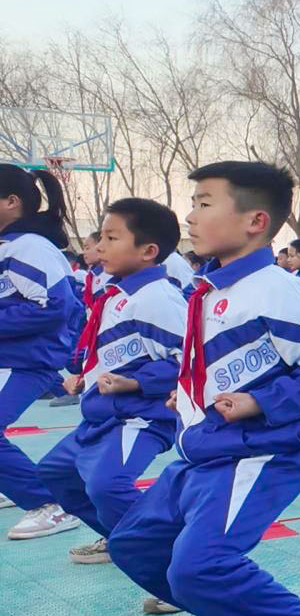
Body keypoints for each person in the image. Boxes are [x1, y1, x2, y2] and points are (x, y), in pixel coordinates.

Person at [107, 160, 300, 616]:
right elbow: (224, 364)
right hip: (202, 452)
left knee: (200, 566)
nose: (190, 216)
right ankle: (221, 608)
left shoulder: (276, 289)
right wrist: (187, 394)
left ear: (255, 221)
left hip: (256, 455)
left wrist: (261, 401)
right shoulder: (209, 290)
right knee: (133, 544)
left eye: (203, 203)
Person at [32, 199, 186, 562]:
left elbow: (191, 362)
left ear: (148, 251)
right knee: (56, 473)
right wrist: (84, 376)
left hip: (141, 417)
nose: (99, 247)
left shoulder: (158, 299)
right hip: (104, 414)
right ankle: (120, 536)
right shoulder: (117, 292)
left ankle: (169, 556)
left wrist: (137, 383)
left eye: (111, 238)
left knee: (107, 485)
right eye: (100, 237)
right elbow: (113, 351)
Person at [0, 163, 84, 539]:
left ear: (11, 202)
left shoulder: (29, 246)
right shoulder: (10, 247)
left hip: (27, 360)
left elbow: (54, 305)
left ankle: (51, 504)